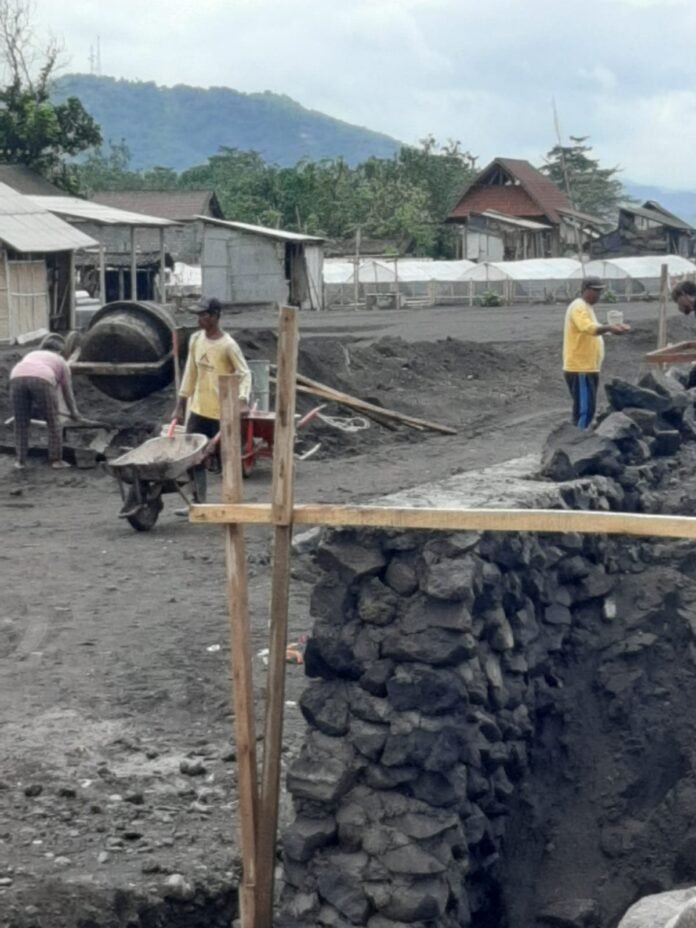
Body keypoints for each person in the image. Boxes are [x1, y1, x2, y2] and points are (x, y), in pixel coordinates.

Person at [173, 297, 251, 505]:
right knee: (192, 457)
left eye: (204, 315)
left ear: (216, 316)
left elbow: (244, 374)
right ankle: (199, 502)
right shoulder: (196, 339)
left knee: (227, 458)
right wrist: (180, 405)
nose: (199, 319)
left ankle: (231, 503)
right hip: (199, 410)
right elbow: (190, 373)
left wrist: (242, 400)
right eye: (198, 315)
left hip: (222, 412)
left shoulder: (228, 346)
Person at [563, 276, 631, 429]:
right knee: (584, 410)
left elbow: (592, 329)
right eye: (595, 291)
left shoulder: (586, 307)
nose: (598, 296)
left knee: (587, 408)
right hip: (580, 368)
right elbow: (588, 328)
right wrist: (609, 328)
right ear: (585, 290)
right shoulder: (578, 307)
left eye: (599, 292)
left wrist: (611, 329)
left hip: (588, 368)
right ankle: (577, 442)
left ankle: (579, 440)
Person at [9, 334, 81, 470]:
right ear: (60, 351)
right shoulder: (61, 361)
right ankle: (56, 460)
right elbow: (67, 392)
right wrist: (74, 412)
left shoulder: (32, 354)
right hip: (43, 379)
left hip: (16, 377)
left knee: (21, 423)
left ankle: (20, 461)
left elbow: (28, 376)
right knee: (53, 422)